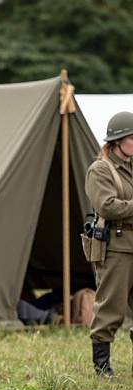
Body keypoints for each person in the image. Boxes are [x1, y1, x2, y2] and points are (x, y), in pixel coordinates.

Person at [85, 111, 133, 376]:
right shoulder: (101, 170)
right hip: (116, 247)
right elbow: (107, 205)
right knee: (111, 307)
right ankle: (102, 366)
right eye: (132, 138)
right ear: (117, 141)